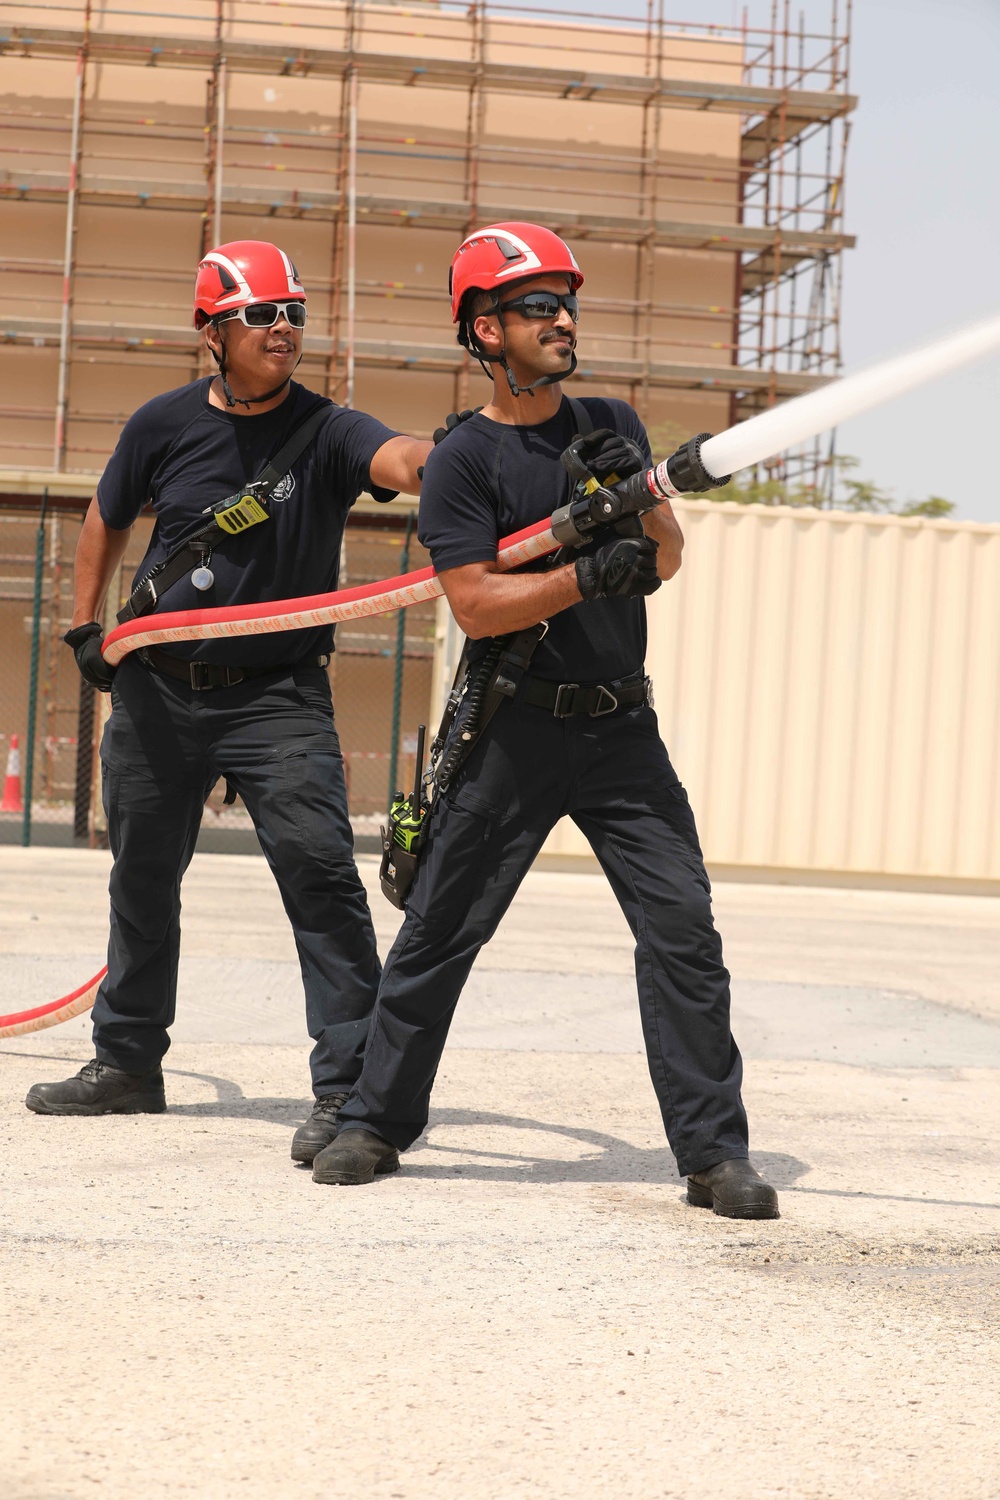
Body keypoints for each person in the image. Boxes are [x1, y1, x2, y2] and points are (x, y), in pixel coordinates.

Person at [312, 222, 779, 1219]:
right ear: (484, 328)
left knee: (683, 934)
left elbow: (665, 556)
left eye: (565, 301)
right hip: (513, 735)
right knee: (439, 931)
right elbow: (476, 603)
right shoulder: (464, 460)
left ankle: (712, 1154)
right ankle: (375, 1119)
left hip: (620, 736)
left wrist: (637, 502)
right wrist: (579, 576)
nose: (561, 318)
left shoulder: (606, 420)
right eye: (536, 305)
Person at [25, 239, 430, 1165]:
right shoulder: (162, 424)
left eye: (294, 312)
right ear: (214, 332)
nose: (285, 328)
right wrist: (86, 629)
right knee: (140, 881)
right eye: (262, 315)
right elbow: (106, 516)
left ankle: (348, 1095)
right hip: (160, 691)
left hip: (278, 697)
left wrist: (456, 454)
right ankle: (126, 1065)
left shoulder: (327, 432)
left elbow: (401, 459)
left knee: (322, 884)